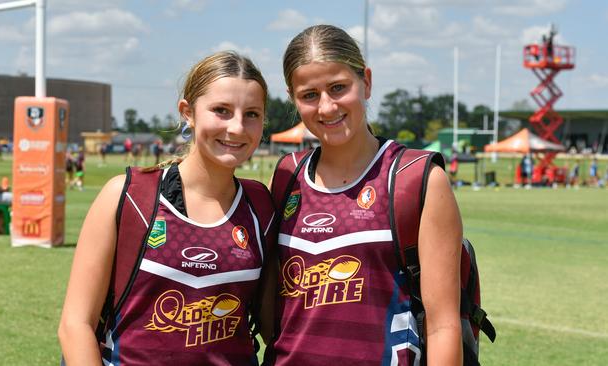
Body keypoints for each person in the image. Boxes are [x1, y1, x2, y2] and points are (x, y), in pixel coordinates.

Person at [58, 51, 274, 365]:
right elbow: (75, 325)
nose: (238, 127)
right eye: (221, 110)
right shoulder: (128, 195)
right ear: (188, 112)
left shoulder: (260, 205)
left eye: (252, 114)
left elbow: (274, 330)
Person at [264, 25, 462, 365]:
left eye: (338, 88)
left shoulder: (415, 177)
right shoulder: (287, 175)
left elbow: (443, 325)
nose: (326, 107)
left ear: (366, 82)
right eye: (309, 95)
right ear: (293, 99)